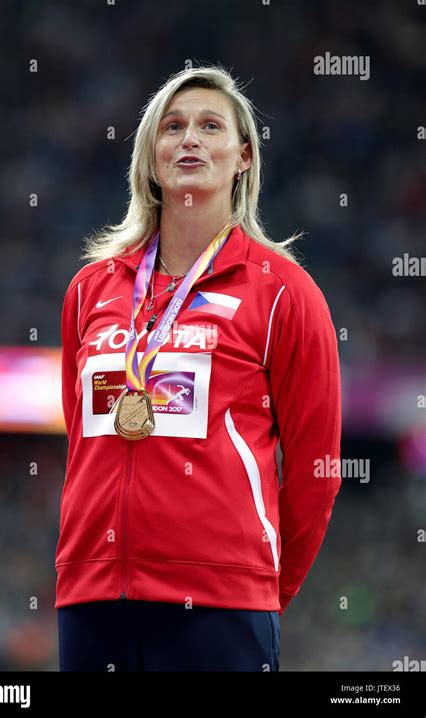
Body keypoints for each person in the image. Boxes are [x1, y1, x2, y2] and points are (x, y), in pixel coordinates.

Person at [55, 65, 342, 672]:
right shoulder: (89, 290)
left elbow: (318, 469)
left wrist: (259, 587)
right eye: (173, 126)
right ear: (150, 157)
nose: (189, 138)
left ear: (243, 156)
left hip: (221, 605)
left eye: (210, 126)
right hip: (91, 598)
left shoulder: (284, 293)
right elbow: (82, 441)